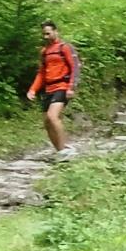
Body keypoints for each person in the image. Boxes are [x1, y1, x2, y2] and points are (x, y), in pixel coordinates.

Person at [26, 20, 78, 160]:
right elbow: (41, 73)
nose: (46, 37)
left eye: (48, 33)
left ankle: (63, 152)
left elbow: (75, 67)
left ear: (55, 31)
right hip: (48, 89)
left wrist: (71, 87)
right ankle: (60, 151)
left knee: (52, 116)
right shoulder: (44, 52)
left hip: (62, 86)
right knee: (47, 123)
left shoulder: (65, 47)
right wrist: (33, 90)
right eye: (44, 34)